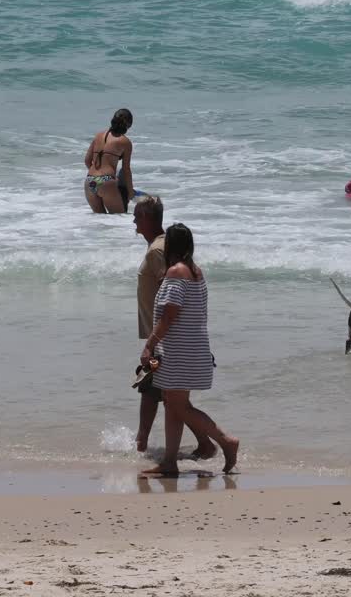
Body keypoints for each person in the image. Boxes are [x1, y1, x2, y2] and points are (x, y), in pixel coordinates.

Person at [141, 223, 239, 476]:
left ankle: (225, 440)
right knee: (174, 405)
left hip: (177, 351)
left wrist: (149, 344)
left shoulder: (176, 273)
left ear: (170, 247)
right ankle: (170, 463)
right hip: (194, 349)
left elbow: (169, 316)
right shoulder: (197, 272)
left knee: (179, 407)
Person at [133, 196, 216, 460]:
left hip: (167, 342)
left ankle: (142, 446)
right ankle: (202, 444)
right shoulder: (159, 248)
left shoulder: (159, 252)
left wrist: (154, 343)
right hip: (165, 340)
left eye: (137, 215)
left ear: (147, 218)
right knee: (168, 398)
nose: (133, 220)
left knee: (157, 393)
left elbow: (173, 300)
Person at [82, 108, 133, 213]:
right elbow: (126, 169)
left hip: (90, 181)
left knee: (100, 222)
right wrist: (130, 191)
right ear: (128, 125)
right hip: (106, 181)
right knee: (118, 219)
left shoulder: (98, 136)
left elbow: (87, 161)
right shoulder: (125, 142)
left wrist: (96, 178)